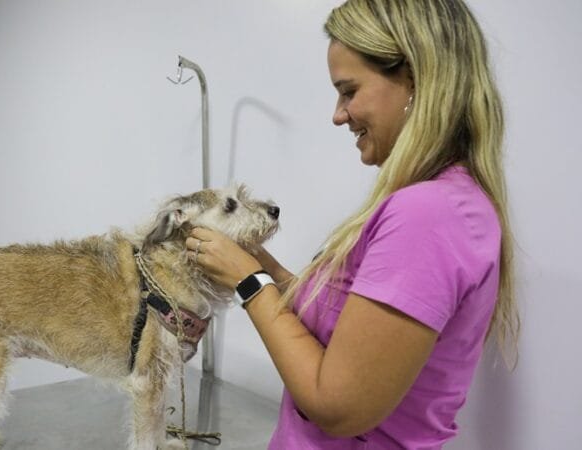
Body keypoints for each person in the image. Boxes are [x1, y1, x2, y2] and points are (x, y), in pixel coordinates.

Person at [185, 0, 519, 448]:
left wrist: (249, 282)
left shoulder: (430, 215)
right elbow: (344, 325)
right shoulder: (441, 203)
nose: (338, 114)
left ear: (416, 79)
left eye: (349, 91)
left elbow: (338, 406)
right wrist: (269, 271)